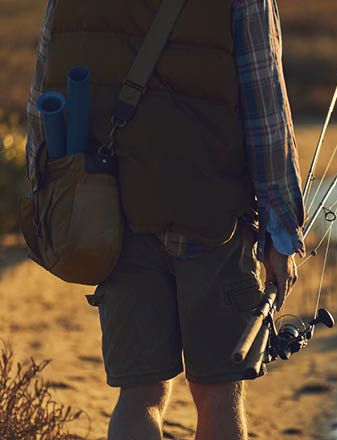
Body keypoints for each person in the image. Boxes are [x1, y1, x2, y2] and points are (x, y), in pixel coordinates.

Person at [25, 0, 305, 438]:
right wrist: (281, 231)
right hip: (211, 215)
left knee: (139, 394)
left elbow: (44, 87)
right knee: (218, 391)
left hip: (113, 215)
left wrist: (49, 198)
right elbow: (264, 104)